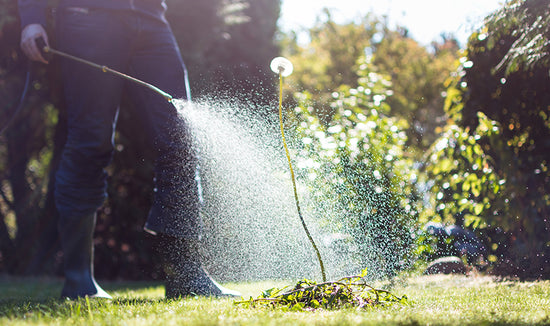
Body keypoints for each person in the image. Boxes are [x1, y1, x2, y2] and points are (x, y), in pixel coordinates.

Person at [18, 0, 240, 299]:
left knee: (181, 138)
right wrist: (32, 17)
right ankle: (78, 281)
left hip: (152, 19)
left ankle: (185, 277)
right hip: (87, 17)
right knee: (90, 141)